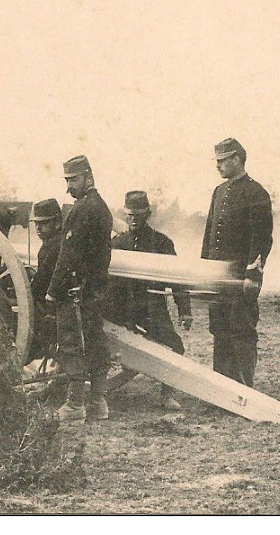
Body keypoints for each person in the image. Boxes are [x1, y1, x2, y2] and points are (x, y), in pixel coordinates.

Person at [110, 190, 193, 410]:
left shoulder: (163, 243)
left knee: (175, 346)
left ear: (148, 213)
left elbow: (177, 280)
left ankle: (167, 394)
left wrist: (185, 310)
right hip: (122, 308)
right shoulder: (117, 244)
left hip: (151, 308)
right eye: (129, 215)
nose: (133, 219)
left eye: (138, 215)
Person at [201, 138, 273, 388]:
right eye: (217, 161)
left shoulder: (256, 193)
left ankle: (243, 391)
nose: (218, 166)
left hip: (241, 279)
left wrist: (253, 276)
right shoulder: (218, 192)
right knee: (219, 331)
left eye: (222, 161)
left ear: (237, 159)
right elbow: (209, 234)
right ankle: (222, 390)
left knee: (241, 331)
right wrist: (205, 270)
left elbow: (262, 240)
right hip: (218, 279)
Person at [46, 155, 113, 423]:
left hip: (76, 291)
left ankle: (75, 405)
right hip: (96, 290)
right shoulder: (103, 208)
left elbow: (69, 255)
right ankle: (99, 402)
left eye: (73, 180)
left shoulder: (82, 209)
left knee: (72, 344)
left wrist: (53, 289)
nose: (69, 187)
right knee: (95, 342)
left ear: (88, 177)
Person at [29, 198, 63, 361]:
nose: (38, 228)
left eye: (43, 223)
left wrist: (28, 290)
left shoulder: (55, 246)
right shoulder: (51, 243)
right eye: (36, 224)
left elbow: (42, 281)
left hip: (54, 305)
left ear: (56, 222)